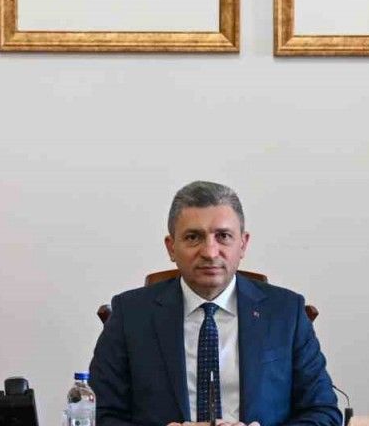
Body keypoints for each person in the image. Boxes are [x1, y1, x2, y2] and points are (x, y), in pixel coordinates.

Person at [89, 182, 340, 426]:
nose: (210, 252)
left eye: (223, 236)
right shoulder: (130, 314)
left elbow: (323, 412)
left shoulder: (286, 312)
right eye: (193, 237)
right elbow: (100, 413)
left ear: (243, 244)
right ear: (171, 247)